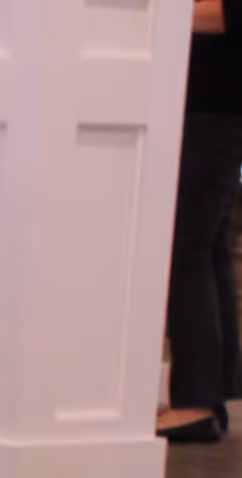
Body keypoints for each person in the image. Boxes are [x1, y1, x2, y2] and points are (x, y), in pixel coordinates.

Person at [161, 0, 242, 443]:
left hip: (214, 109)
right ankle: (210, 391)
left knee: (184, 250)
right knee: (207, 250)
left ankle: (193, 403)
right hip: (213, 105)